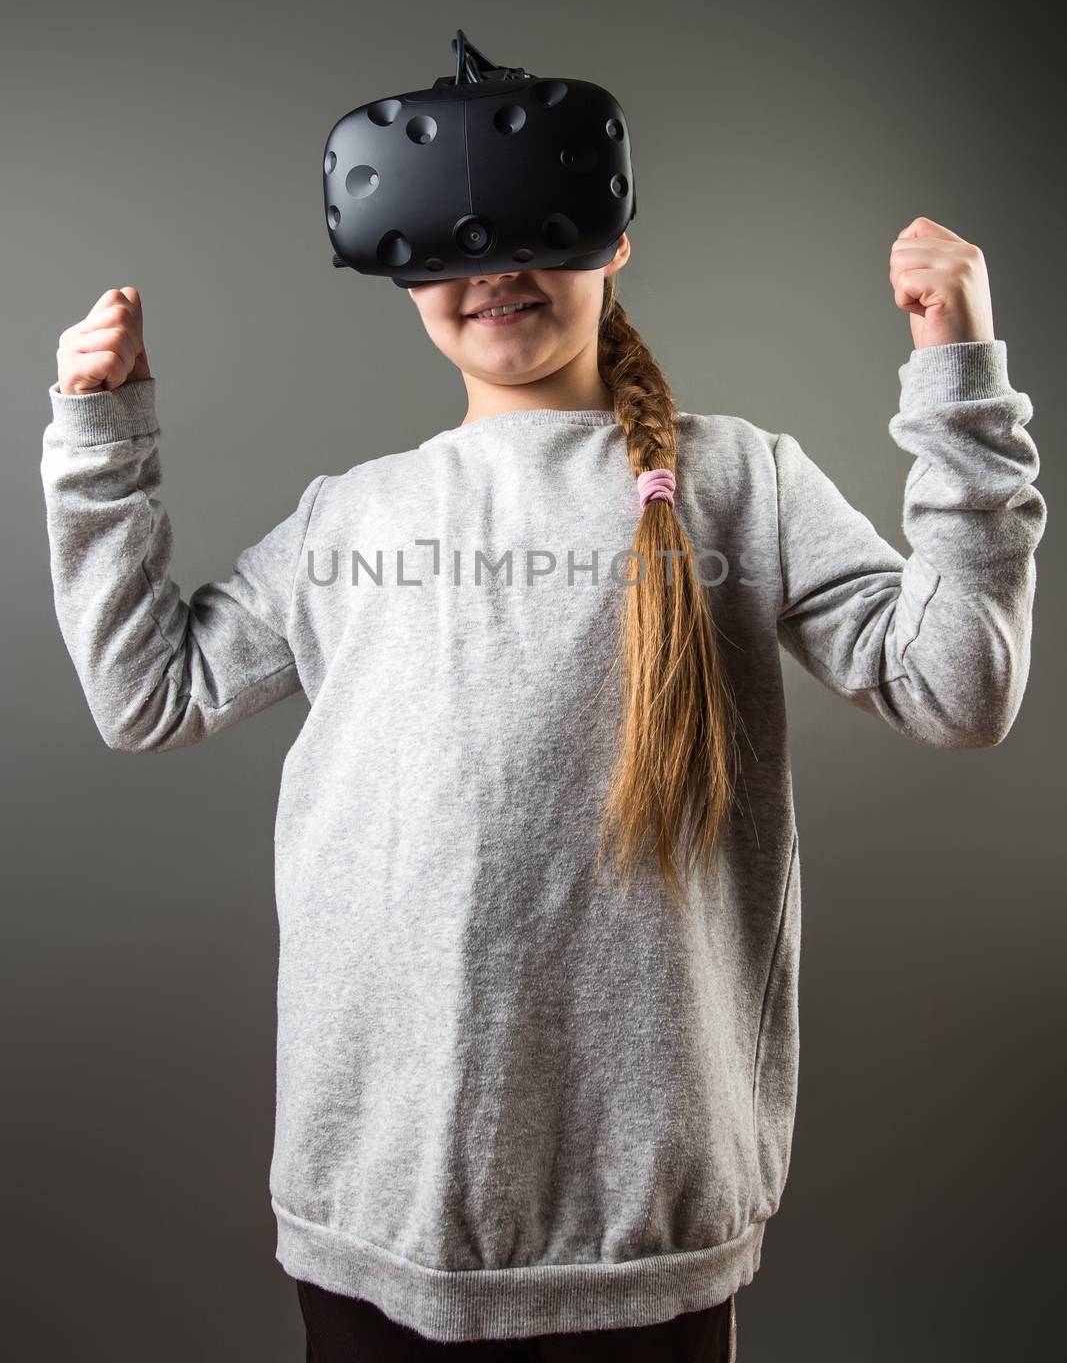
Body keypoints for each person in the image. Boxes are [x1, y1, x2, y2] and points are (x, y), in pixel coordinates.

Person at [40, 214, 1045, 1360]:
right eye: (451, 246)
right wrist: (99, 442)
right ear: (401, 271)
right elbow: (148, 692)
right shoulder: (353, 518)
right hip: (380, 1215)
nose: (496, 272)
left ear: (613, 243)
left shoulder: (741, 483)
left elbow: (956, 685)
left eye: (535, 230)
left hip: (643, 1232)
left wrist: (957, 378)